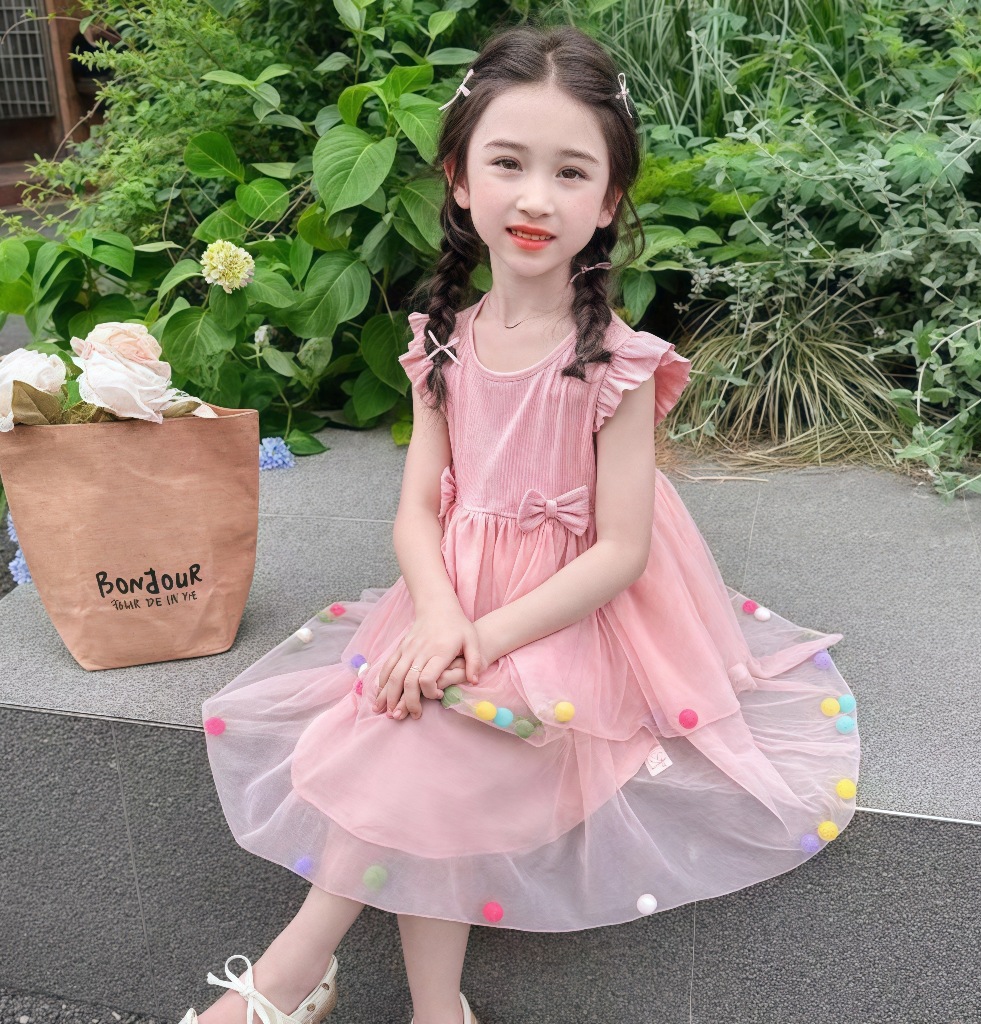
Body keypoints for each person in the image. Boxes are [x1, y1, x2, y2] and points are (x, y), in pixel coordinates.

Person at [178, 22, 860, 1024]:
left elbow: (621, 551)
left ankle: (289, 979)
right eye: (508, 163)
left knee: (424, 738)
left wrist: (480, 638)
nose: (536, 197)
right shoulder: (442, 344)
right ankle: (435, 1010)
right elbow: (418, 508)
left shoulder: (617, 363)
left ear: (608, 200)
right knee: (413, 725)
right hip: (453, 595)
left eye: (570, 172)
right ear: (459, 179)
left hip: (575, 616)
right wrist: (438, 615)